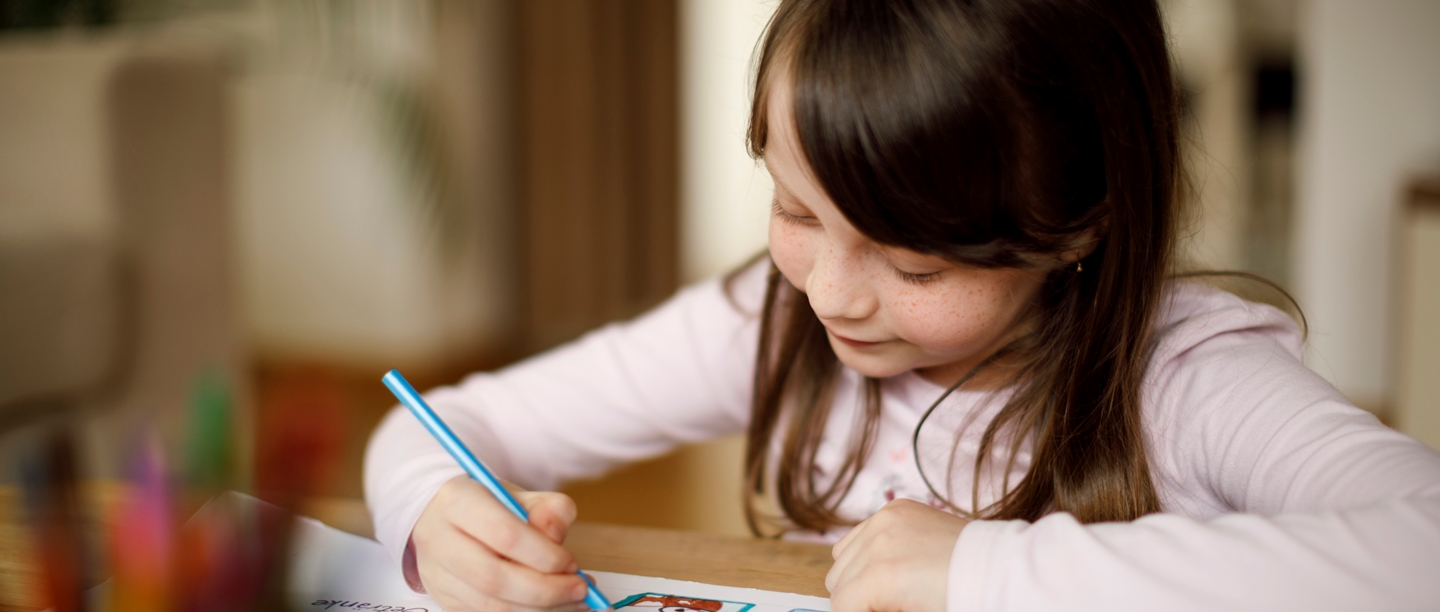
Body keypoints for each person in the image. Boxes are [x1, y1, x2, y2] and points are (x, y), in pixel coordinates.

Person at [364, 0, 1440, 610]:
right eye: (794, 211)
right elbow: (446, 423)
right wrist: (427, 516)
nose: (830, 295)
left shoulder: (1187, 376)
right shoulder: (767, 320)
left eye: (914, 268)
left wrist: (987, 570)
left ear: (1082, 224)